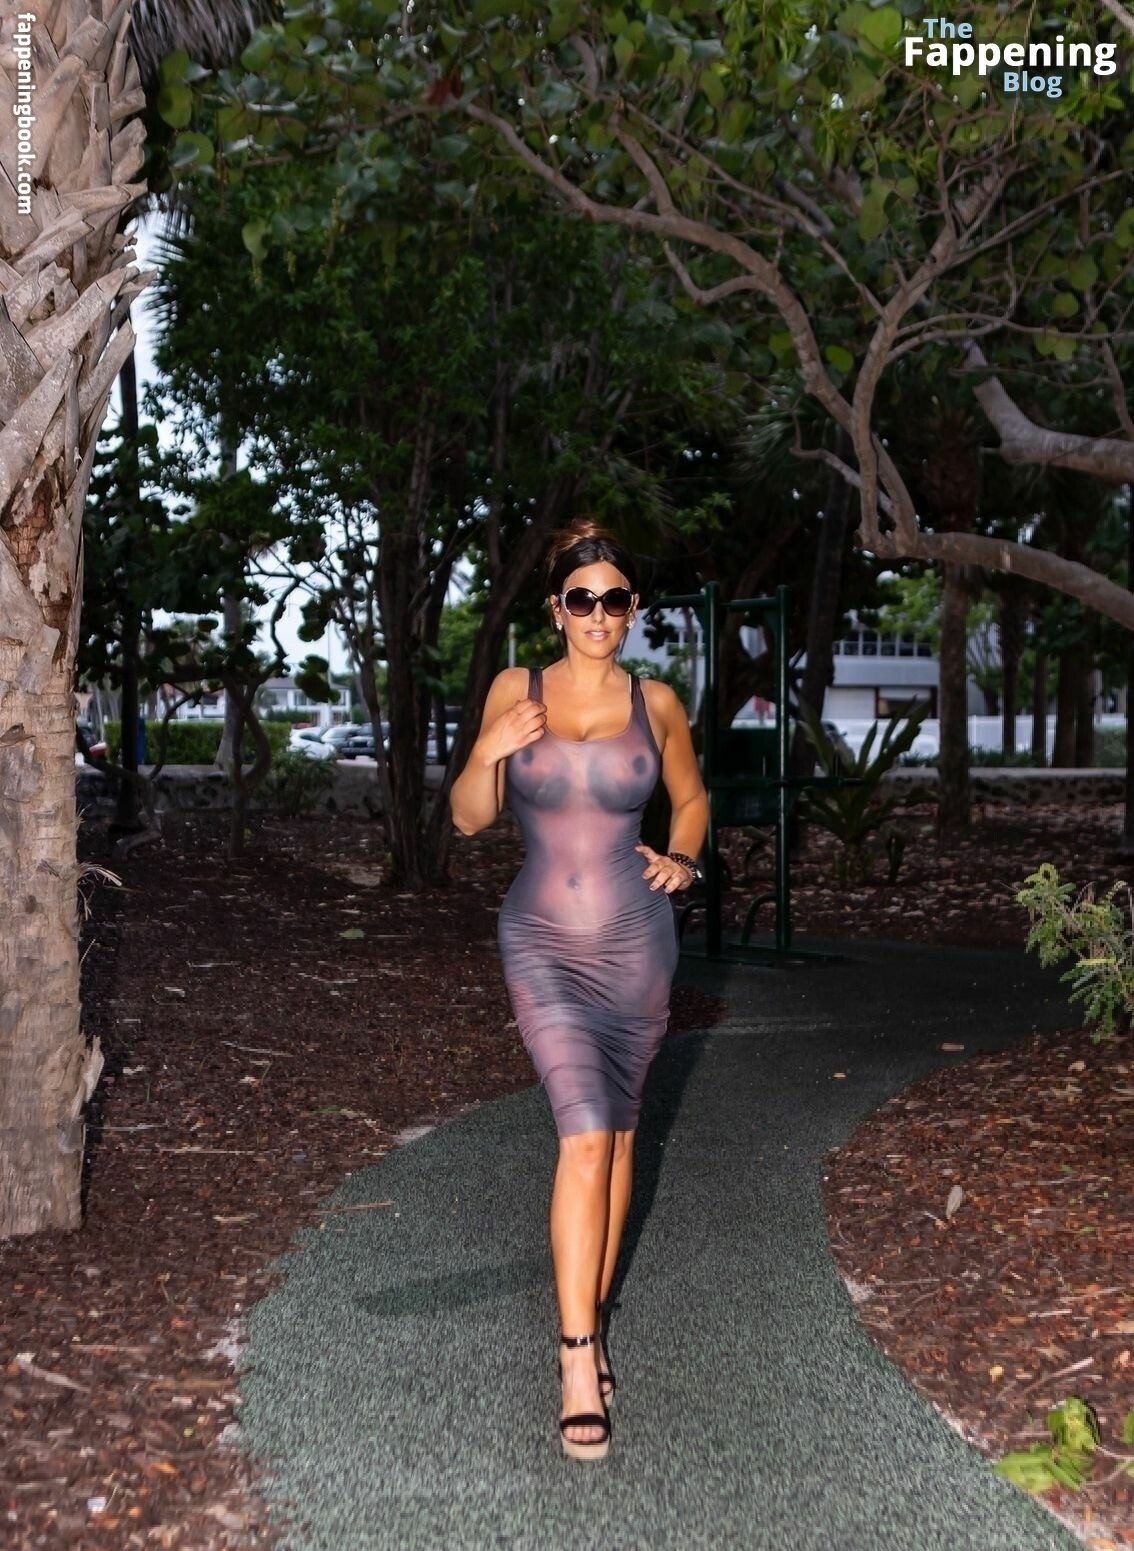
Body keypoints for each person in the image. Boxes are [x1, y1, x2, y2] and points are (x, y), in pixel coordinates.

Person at [449, 518, 709, 1461]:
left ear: (634, 610)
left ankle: (590, 1323)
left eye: (615, 599)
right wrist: (489, 748)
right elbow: (469, 819)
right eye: (582, 598)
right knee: (586, 1136)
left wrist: (683, 858)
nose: (599, 613)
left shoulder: (658, 701)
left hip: (638, 940)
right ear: (556, 609)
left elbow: (691, 797)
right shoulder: (515, 690)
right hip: (543, 940)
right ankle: (573, 1357)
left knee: (622, 1134)